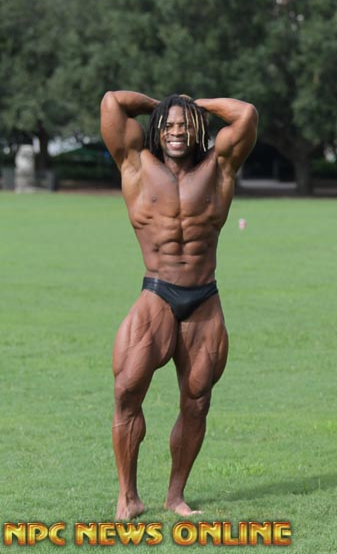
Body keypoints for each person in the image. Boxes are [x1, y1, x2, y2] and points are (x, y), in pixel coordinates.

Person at [99, 91, 258, 519]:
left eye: (184, 125)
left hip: (204, 300)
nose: (176, 132)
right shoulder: (135, 163)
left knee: (197, 400)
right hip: (156, 293)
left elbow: (245, 115)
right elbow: (112, 102)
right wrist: (163, 105)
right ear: (157, 129)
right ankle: (128, 496)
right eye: (168, 125)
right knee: (126, 392)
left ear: (197, 129)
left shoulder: (219, 166)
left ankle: (175, 495)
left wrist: (192, 105)